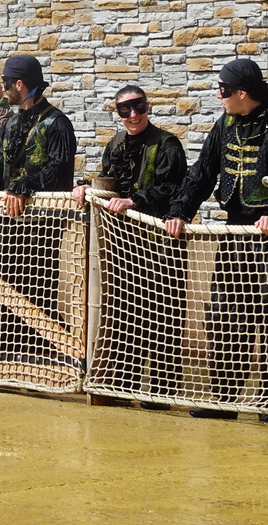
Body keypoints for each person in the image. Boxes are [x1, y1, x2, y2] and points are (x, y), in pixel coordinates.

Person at [164, 58, 268, 425]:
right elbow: (202, 172)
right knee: (225, 315)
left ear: (242, 93)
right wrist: (180, 210)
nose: (218, 95)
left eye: (223, 90)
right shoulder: (224, 124)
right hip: (235, 230)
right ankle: (223, 397)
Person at [0, 55, 77, 362]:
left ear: (19, 84)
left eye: (7, 83)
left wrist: (26, 185)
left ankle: (38, 353)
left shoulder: (57, 123)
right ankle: (9, 353)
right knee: (5, 281)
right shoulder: (11, 124)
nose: (4, 89)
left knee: (37, 283)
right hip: (9, 219)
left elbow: (58, 168)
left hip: (42, 224)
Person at [73, 86, 187, 410]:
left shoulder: (167, 144)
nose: (133, 115)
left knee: (164, 318)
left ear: (147, 107)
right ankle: (123, 385)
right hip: (125, 245)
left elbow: (175, 188)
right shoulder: (114, 144)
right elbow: (108, 181)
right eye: (126, 110)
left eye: (138, 107)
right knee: (125, 316)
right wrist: (85, 186)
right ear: (118, 113)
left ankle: (162, 393)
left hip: (163, 243)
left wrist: (135, 201)